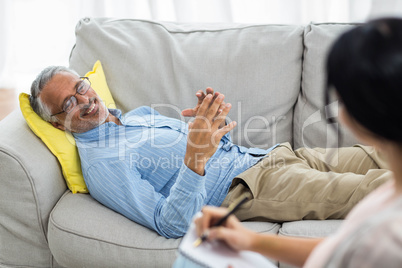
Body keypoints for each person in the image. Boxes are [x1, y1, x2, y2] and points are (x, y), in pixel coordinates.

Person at [30, 41, 390, 241]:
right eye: (68, 104)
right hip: (248, 188)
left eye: (80, 87)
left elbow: (204, 145)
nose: (84, 100)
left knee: (382, 154)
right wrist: (195, 158)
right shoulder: (103, 165)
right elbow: (170, 224)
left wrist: (210, 123)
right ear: (59, 124)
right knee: (377, 188)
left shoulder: (135, 115)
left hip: (269, 156)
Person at [190, 17, 402, 267]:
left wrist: (197, 152)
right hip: (252, 178)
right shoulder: (389, 199)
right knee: (367, 178)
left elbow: (351, 253)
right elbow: (342, 248)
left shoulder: (386, 238)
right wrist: (252, 241)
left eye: (342, 100)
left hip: (262, 163)